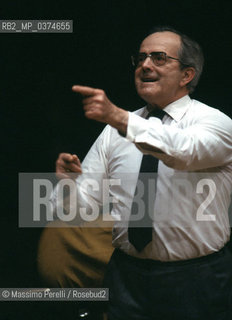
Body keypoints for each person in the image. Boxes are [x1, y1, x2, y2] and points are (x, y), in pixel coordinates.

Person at [41, 26, 232, 320]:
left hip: (196, 279)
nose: (145, 65)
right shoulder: (113, 132)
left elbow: (182, 151)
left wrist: (118, 117)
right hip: (126, 277)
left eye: (159, 58)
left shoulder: (214, 123)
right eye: (140, 58)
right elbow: (81, 210)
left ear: (187, 75)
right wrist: (68, 186)